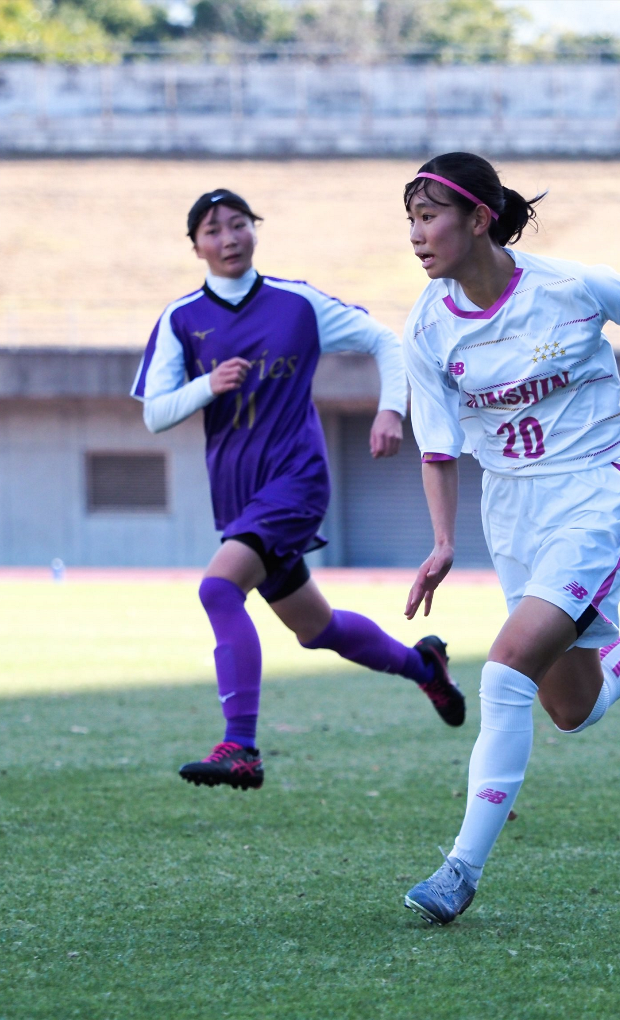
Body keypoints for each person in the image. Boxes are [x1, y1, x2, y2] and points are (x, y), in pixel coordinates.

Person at [396, 153, 620, 925]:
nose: (418, 237)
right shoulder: (427, 325)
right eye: (412, 221)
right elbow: (437, 446)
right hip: (513, 515)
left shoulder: (570, 287)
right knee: (573, 707)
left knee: (503, 669)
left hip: (594, 500)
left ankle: (459, 870)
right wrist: (439, 541)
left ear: (479, 219)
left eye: (430, 217)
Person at [132, 188, 467, 791]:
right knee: (317, 630)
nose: (228, 238)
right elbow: (155, 413)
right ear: (195, 246)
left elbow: (383, 340)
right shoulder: (180, 318)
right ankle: (425, 665)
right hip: (237, 490)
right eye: (213, 230)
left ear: (255, 231)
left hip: (296, 478)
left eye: (239, 225)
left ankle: (241, 747)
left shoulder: (297, 303)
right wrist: (208, 386)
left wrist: (392, 410)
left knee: (217, 589)